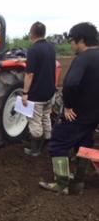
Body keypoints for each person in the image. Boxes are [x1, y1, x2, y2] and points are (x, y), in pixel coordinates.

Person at [39, 22, 99, 195]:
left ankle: (62, 184)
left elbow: (71, 83)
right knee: (84, 143)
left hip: (77, 114)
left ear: (81, 40)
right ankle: (78, 183)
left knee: (58, 143)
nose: (71, 44)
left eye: (72, 41)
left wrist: (69, 105)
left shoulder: (83, 58)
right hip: (94, 115)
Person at [22, 22, 56, 156]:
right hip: (49, 92)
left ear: (32, 34)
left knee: (35, 121)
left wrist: (25, 93)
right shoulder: (51, 48)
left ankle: (35, 150)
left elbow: (30, 74)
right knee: (46, 117)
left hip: (37, 94)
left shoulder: (34, 50)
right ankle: (47, 142)